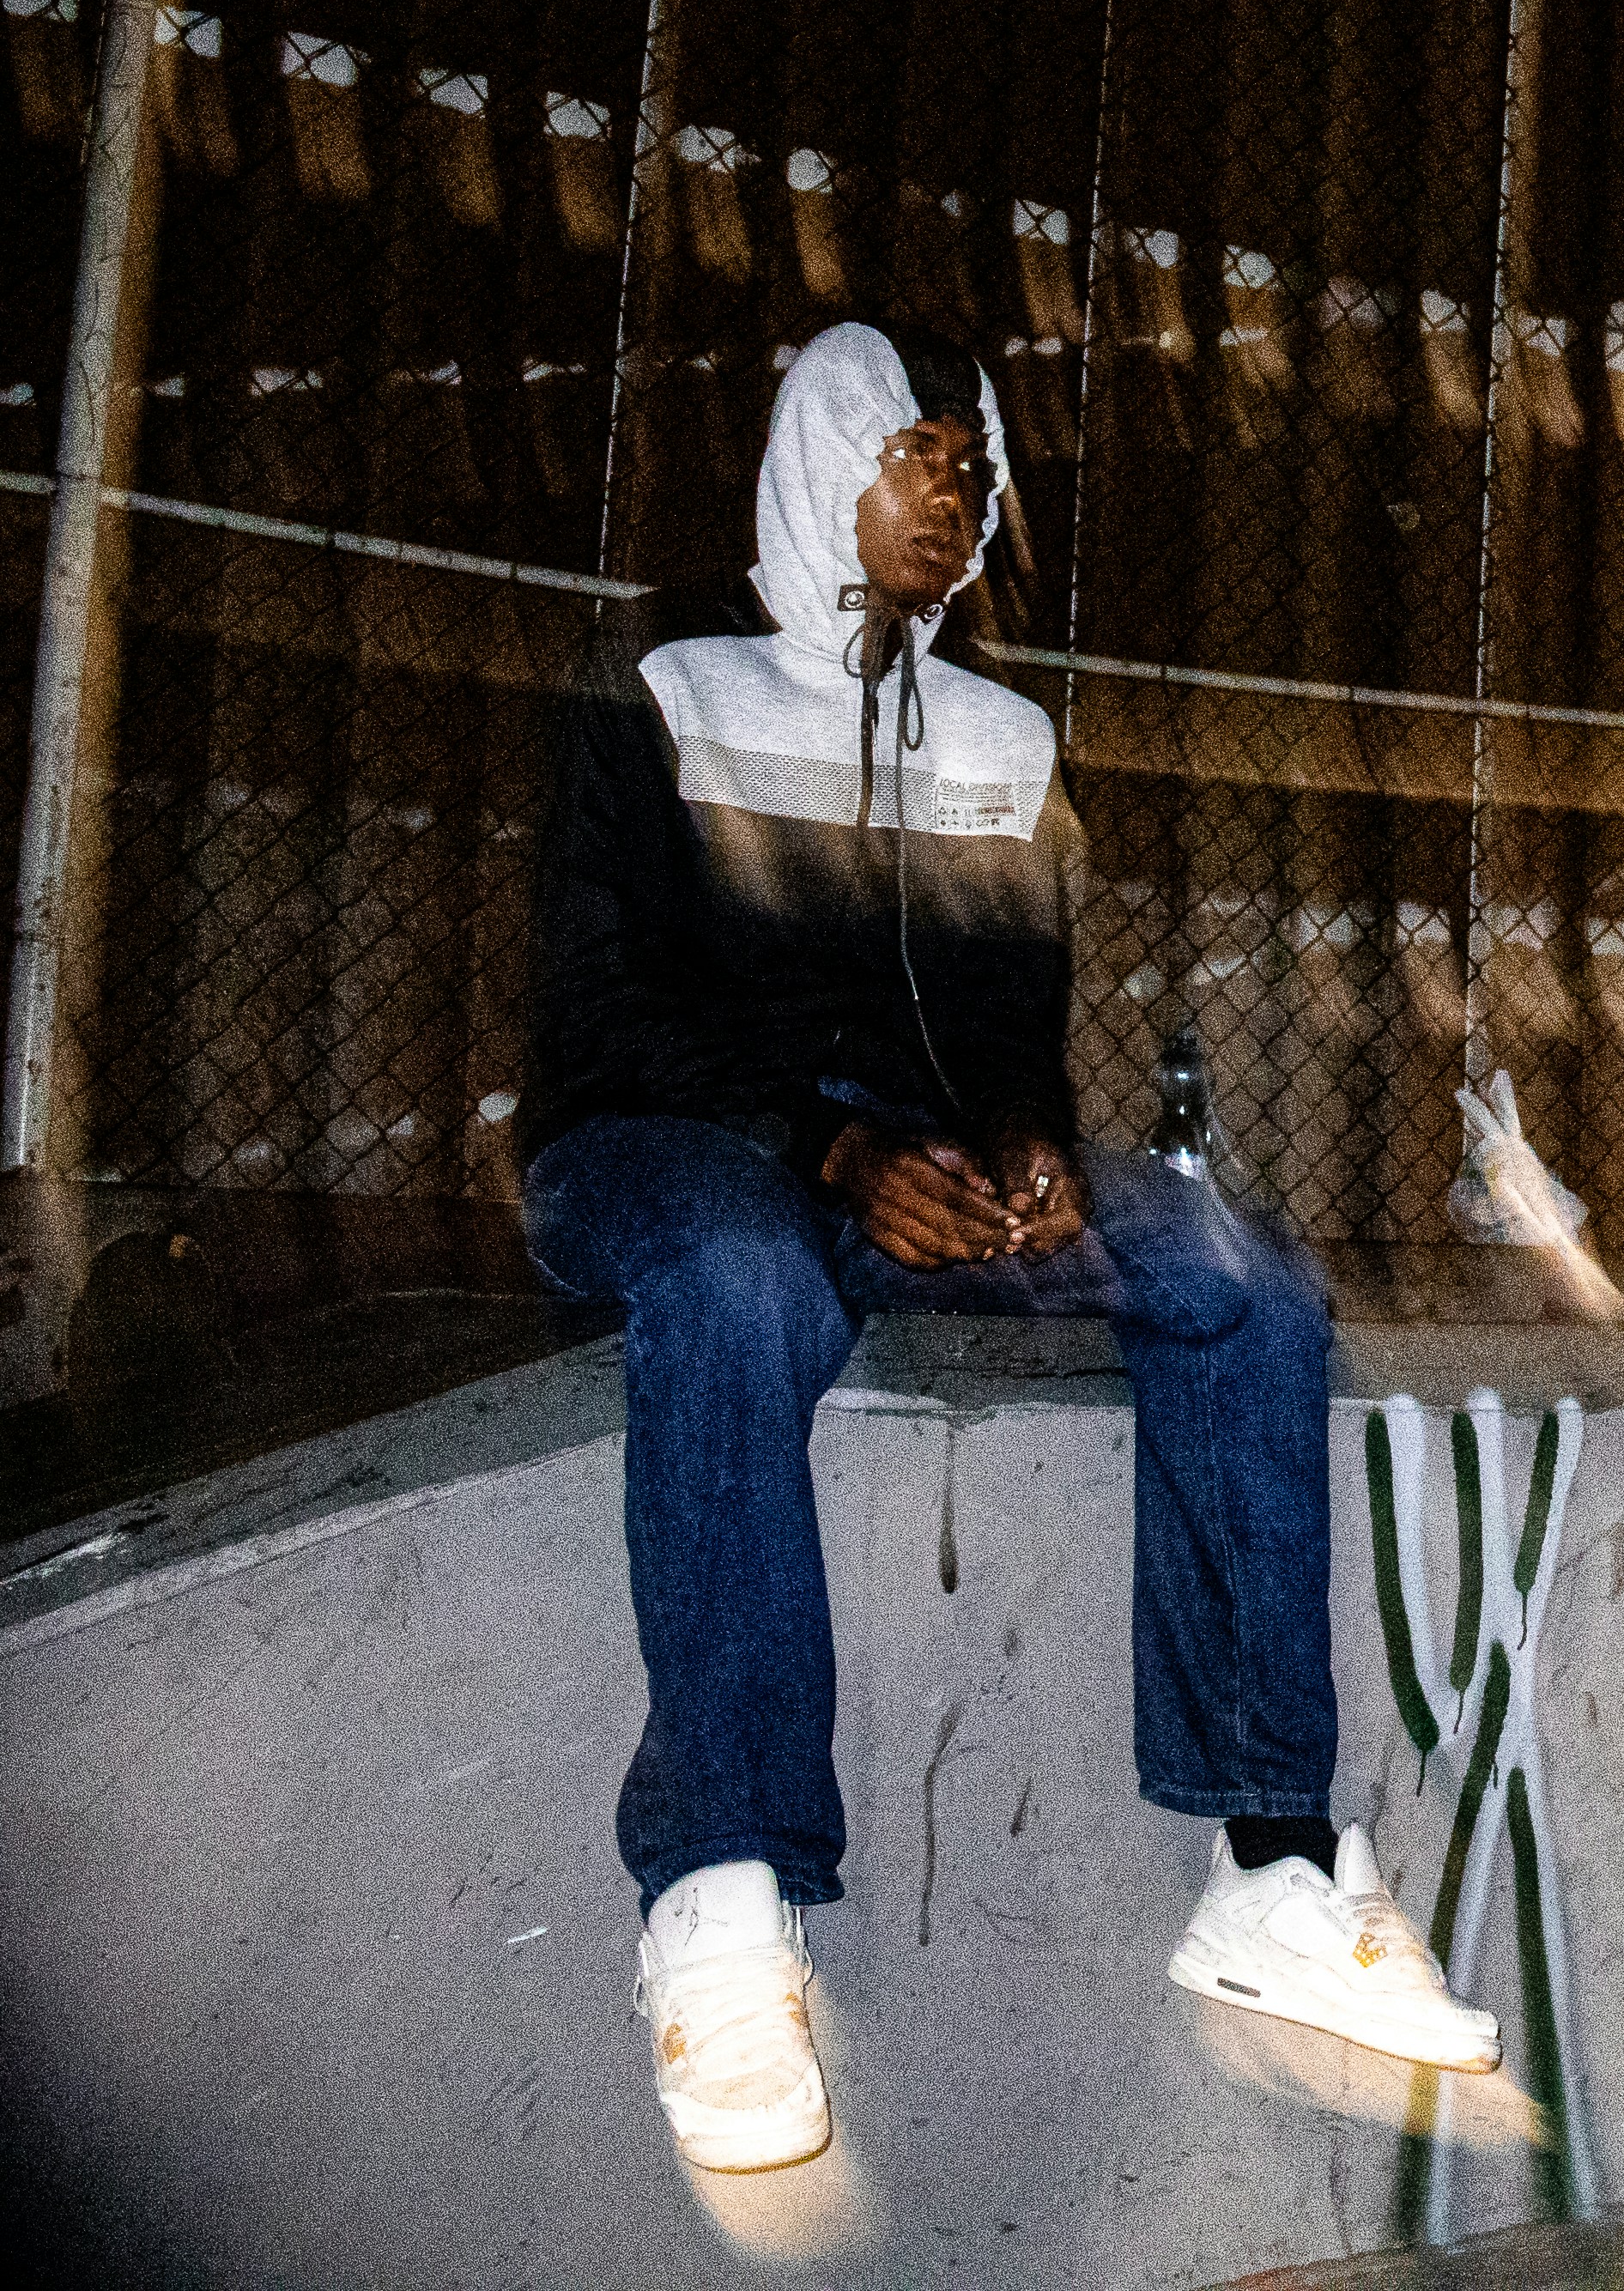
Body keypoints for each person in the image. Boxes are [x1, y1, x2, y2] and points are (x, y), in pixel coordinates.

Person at [522, 320, 1497, 2178]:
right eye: (916, 452)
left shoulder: (1004, 735)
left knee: (1239, 1273)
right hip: (676, 1144)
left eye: (974, 464)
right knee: (743, 1281)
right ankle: (719, 1895)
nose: (956, 494)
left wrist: (1029, 1145)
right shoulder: (661, 682)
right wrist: (831, 1139)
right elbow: (594, 1017)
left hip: (907, 1157)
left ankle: (1272, 1865)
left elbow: (1007, 1031)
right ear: (820, 459)